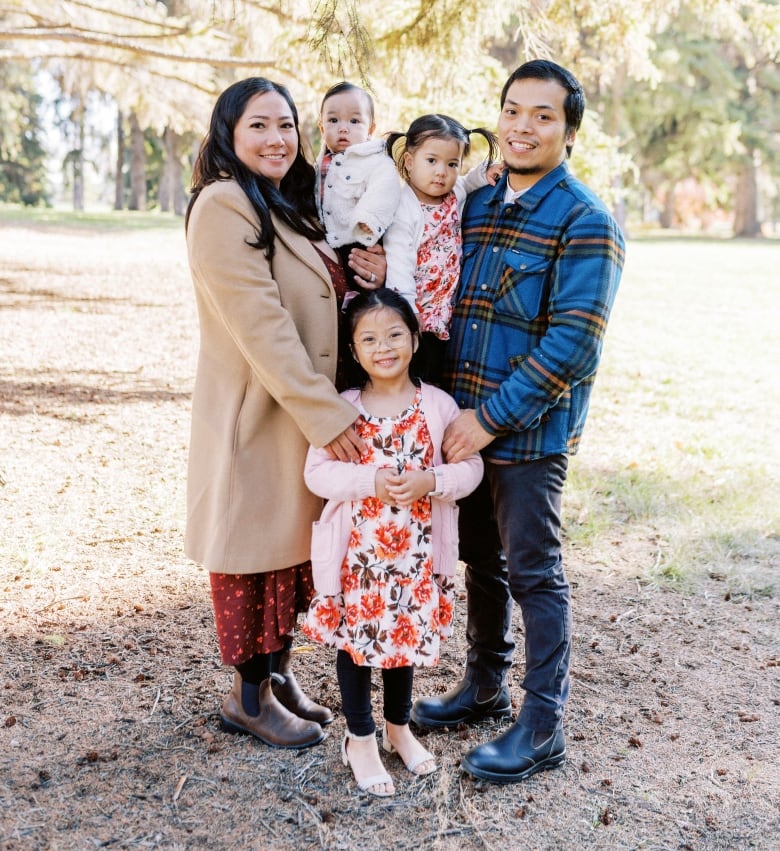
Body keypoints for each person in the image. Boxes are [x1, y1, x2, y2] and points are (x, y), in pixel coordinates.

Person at [411, 60, 626, 784]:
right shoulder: (476, 204)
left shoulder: (587, 222)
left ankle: (542, 724)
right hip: (460, 425)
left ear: (569, 130)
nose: (522, 126)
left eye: (542, 115)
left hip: (526, 434)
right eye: (512, 111)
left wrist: (489, 421)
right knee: (481, 558)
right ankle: (483, 685)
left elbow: (573, 344)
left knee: (535, 571)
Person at [184, 77, 385, 751]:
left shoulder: (285, 201)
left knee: (288, 555)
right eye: (259, 126)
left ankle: (278, 674)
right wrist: (327, 415)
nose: (277, 139)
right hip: (259, 414)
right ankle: (248, 698)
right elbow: (263, 326)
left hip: (295, 412)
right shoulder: (223, 205)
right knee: (250, 555)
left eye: (286, 125)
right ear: (229, 135)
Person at [301, 289, 484, 796]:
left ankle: (398, 729)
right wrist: (369, 481)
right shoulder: (344, 408)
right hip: (357, 559)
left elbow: (471, 468)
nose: (384, 347)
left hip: (416, 556)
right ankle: (360, 737)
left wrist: (433, 480)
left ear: (416, 338)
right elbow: (316, 474)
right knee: (357, 645)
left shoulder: (438, 406)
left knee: (402, 641)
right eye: (369, 339)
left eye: (395, 334)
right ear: (354, 352)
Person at [384, 114, 500, 383]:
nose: (441, 172)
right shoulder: (403, 207)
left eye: (452, 164)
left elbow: (469, 181)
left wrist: (486, 173)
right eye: (432, 161)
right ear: (410, 162)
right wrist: (407, 311)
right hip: (416, 314)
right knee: (414, 378)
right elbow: (399, 262)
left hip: (443, 312)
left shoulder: (454, 193)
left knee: (438, 379)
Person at [315, 81, 401, 294]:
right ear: (321, 127)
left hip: (360, 236)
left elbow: (385, 188)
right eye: (333, 120)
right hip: (328, 239)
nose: (343, 128)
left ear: (370, 129)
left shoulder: (377, 161)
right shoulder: (320, 162)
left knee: (360, 281)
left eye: (354, 121)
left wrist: (368, 219)